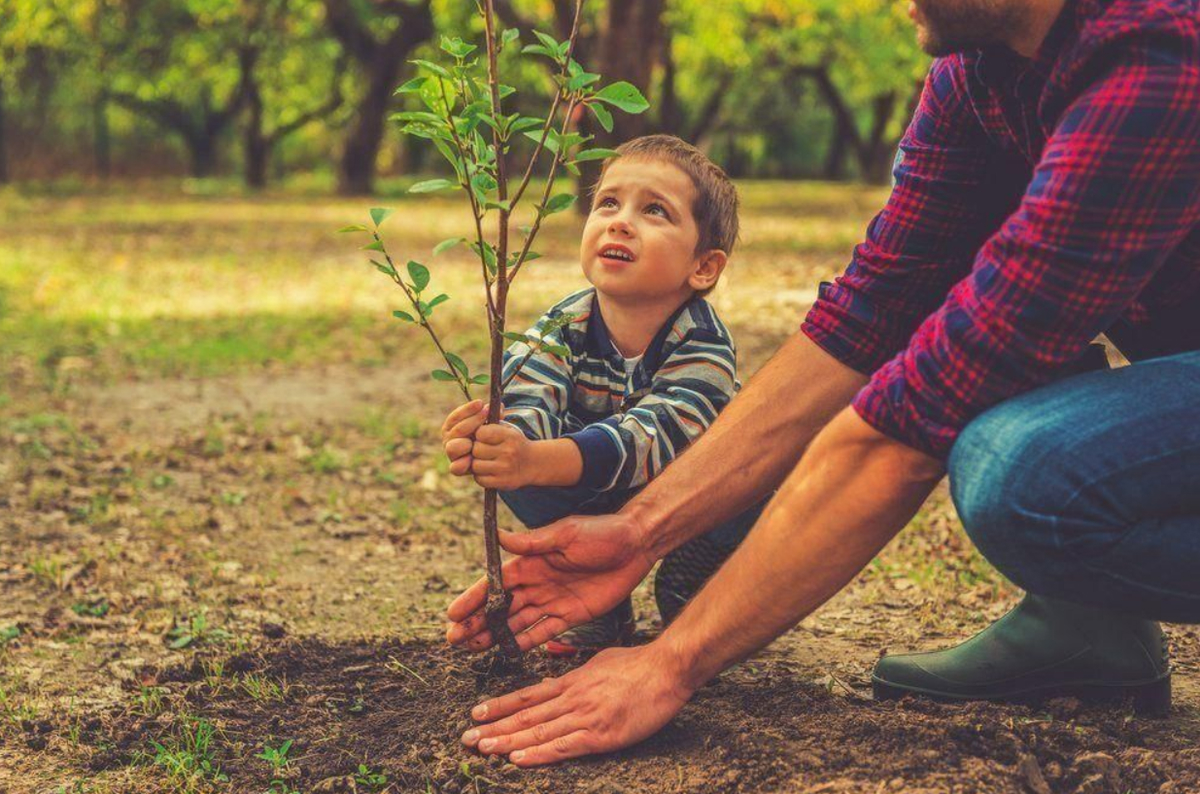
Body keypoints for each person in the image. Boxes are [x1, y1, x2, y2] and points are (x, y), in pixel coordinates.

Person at [443, 0, 1200, 768]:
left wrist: (671, 662)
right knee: (978, 303)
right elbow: (869, 315)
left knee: (1023, 472)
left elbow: (913, 423)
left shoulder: (1159, 51)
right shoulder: (974, 75)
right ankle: (1089, 628)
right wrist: (638, 532)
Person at [440, 134, 768, 656]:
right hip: (594, 488)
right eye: (608, 203)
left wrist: (543, 458)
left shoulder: (703, 342)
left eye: (655, 211)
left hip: (690, 496)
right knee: (521, 473)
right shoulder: (564, 323)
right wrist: (502, 442)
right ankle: (600, 604)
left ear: (703, 266)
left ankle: (703, 572)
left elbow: (658, 436)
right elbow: (529, 392)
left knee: (756, 482)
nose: (620, 221)